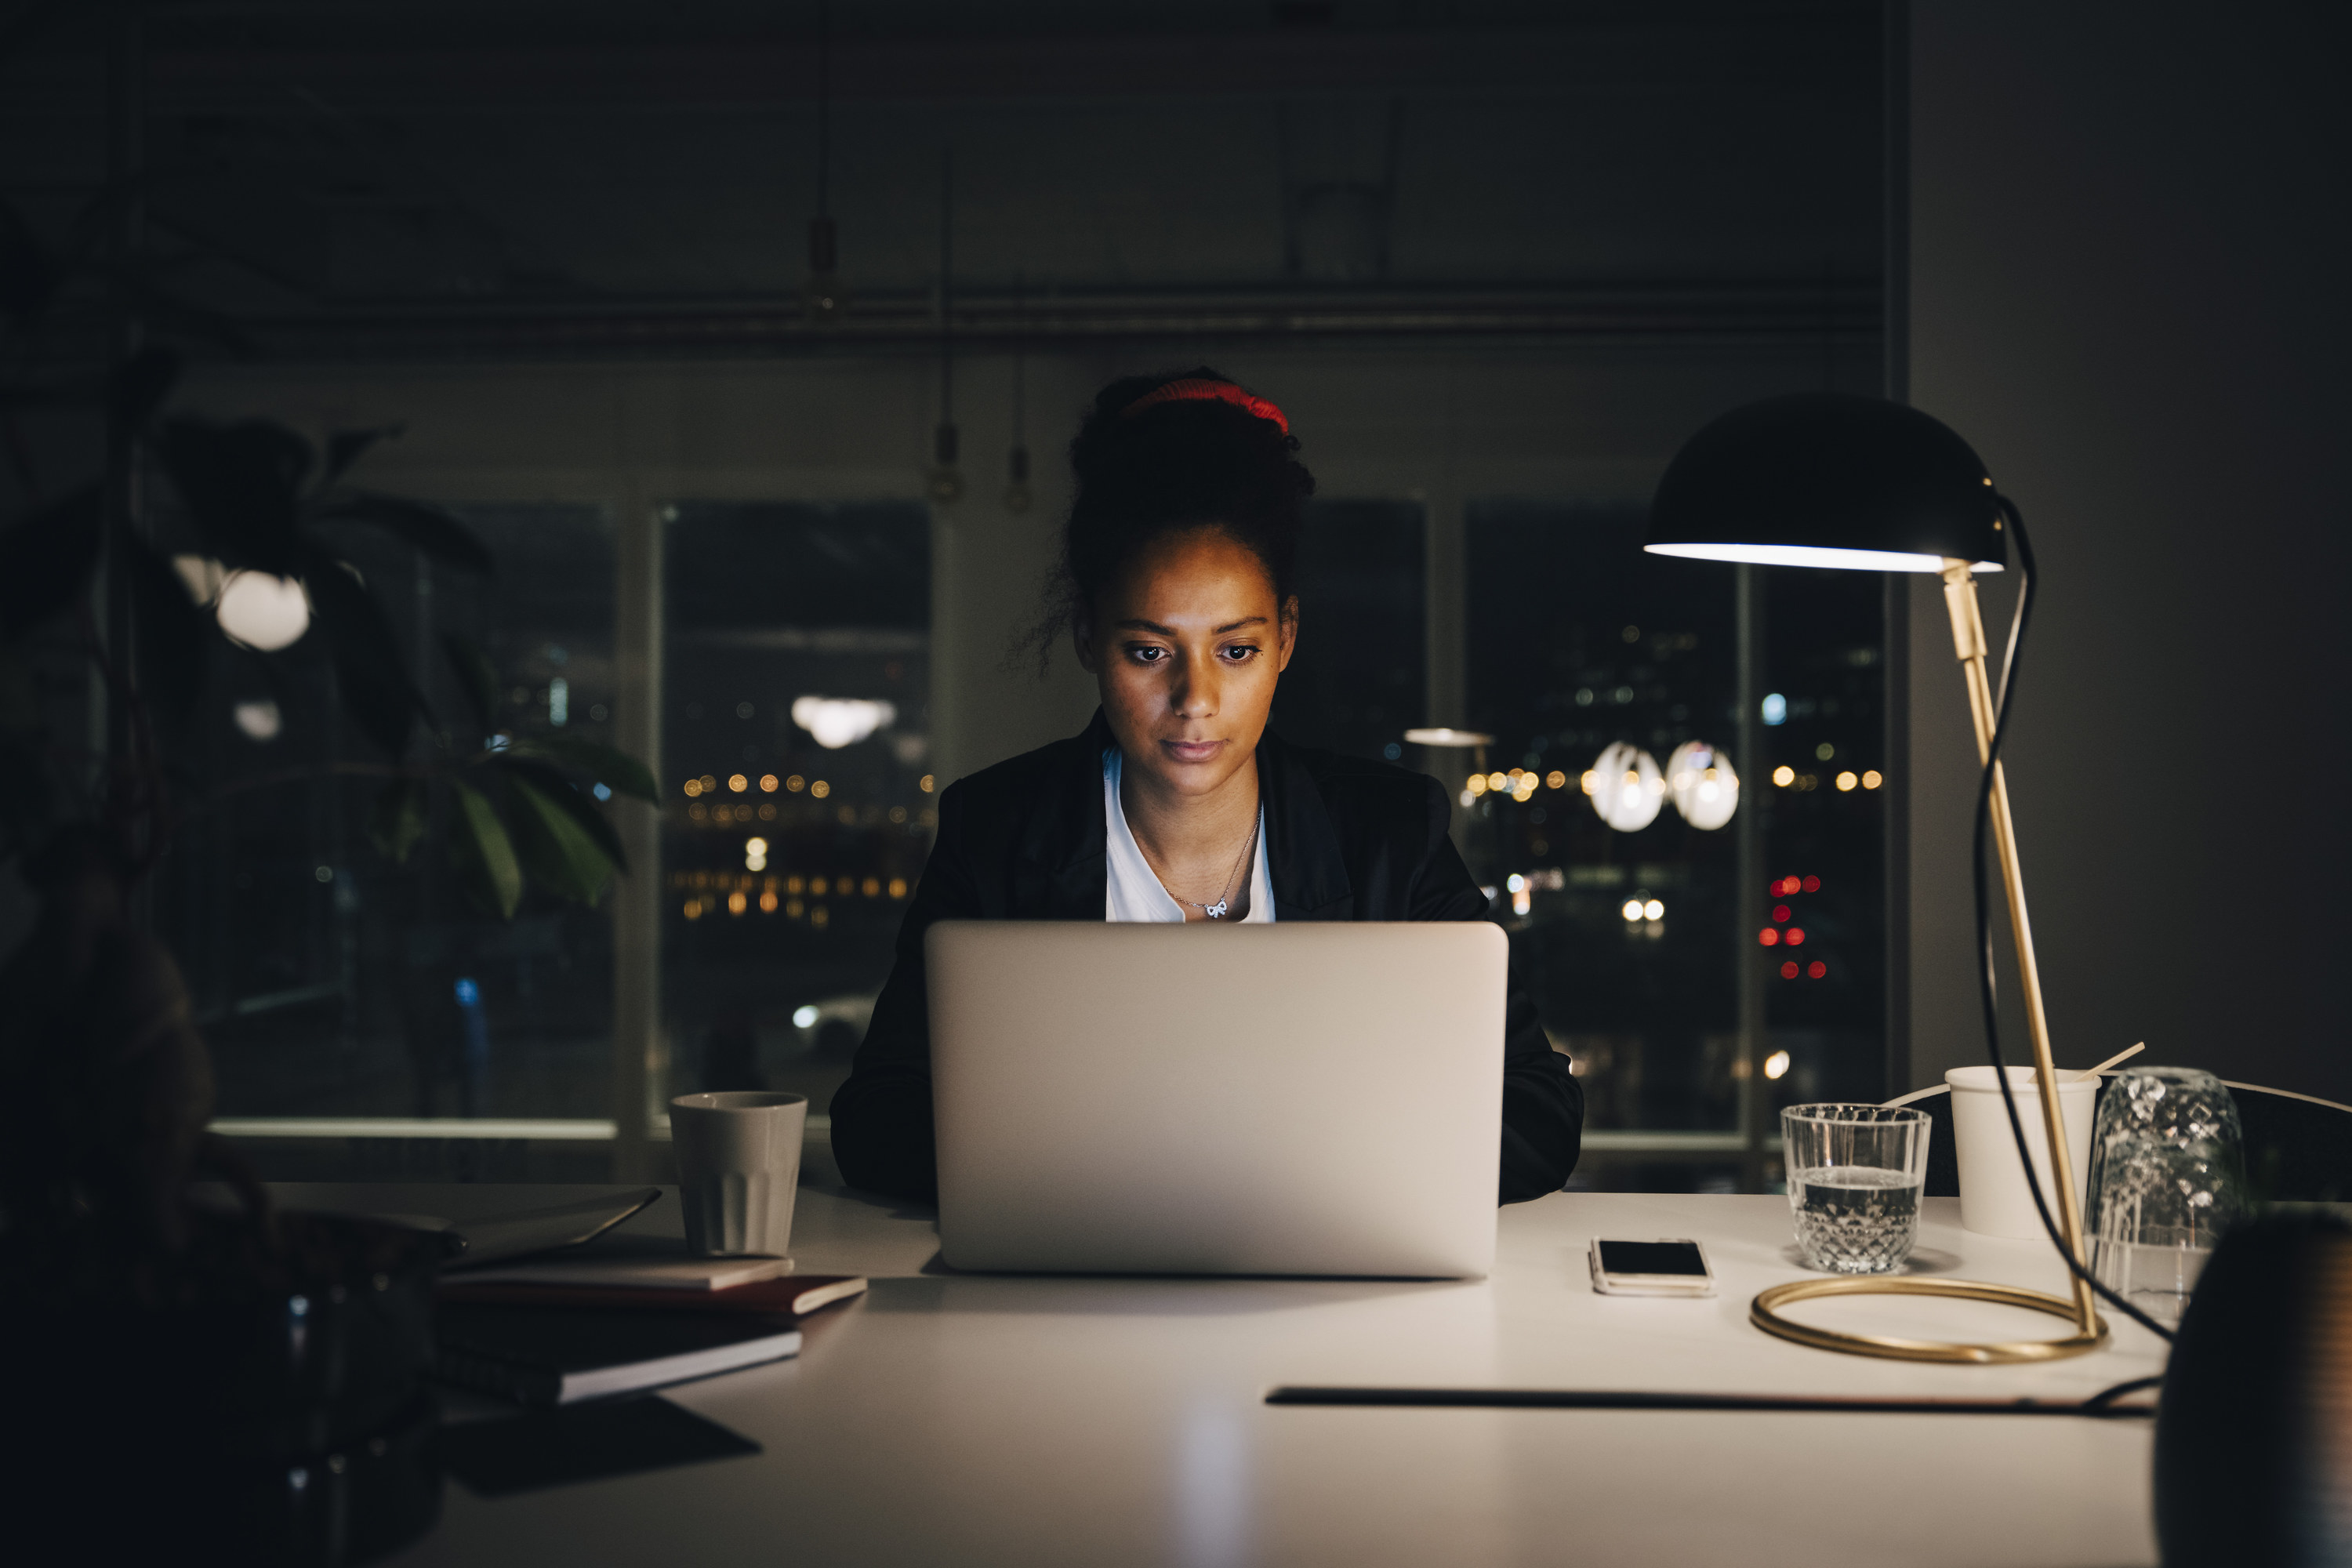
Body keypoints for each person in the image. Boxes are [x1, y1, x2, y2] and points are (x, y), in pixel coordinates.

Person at [829, 368, 1583, 1204]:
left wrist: (1285, 1171)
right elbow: (875, 1121)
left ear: (1286, 639)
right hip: (1072, 1301)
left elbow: (1540, 1115)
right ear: (1088, 638)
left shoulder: (1389, 834)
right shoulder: (998, 828)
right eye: (1150, 651)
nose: (1195, 700)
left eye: (1236, 650)